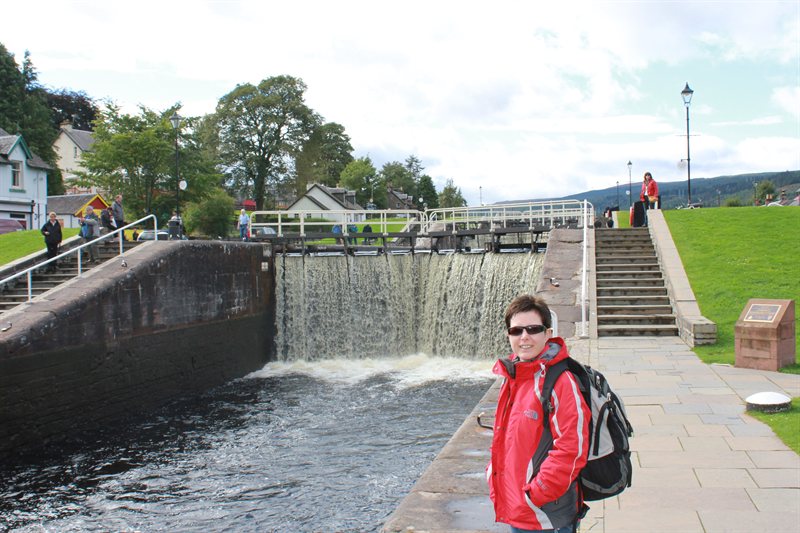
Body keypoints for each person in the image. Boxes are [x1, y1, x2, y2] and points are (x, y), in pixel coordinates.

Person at [487, 295, 590, 533]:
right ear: (508, 335)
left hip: (546, 514)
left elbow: (572, 448)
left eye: (533, 329)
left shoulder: (561, 382)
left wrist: (537, 492)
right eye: (516, 330)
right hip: (518, 507)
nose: (524, 337)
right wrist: (494, 475)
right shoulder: (513, 375)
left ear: (548, 333)